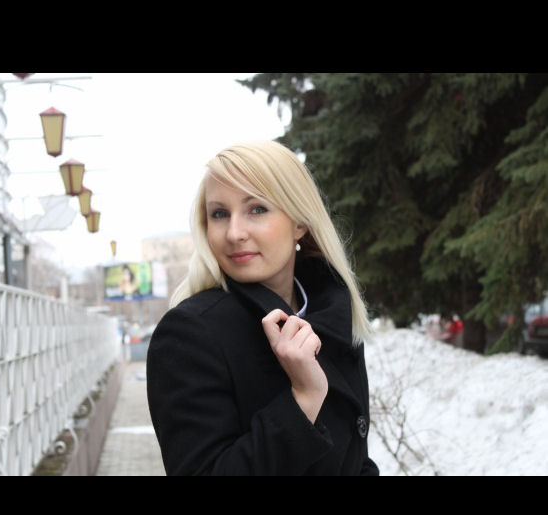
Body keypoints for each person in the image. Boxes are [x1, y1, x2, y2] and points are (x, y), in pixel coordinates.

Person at [146, 140, 379, 476]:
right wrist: (303, 400)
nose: (234, 233)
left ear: (299, 221)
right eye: (219, 214)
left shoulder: (333, 313)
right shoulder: (189, 333)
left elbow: (356, 460)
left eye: (256, 209)